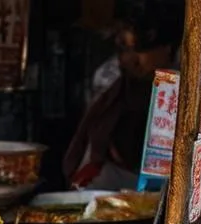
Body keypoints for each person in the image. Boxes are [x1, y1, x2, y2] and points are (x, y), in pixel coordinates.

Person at [63, 8, 181, 190]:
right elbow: (94, 136)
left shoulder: (188, 83)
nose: (129, 59)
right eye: (124, 49)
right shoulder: (110, 78)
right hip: (119, 173)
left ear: (167, 48)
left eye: (140, 49)